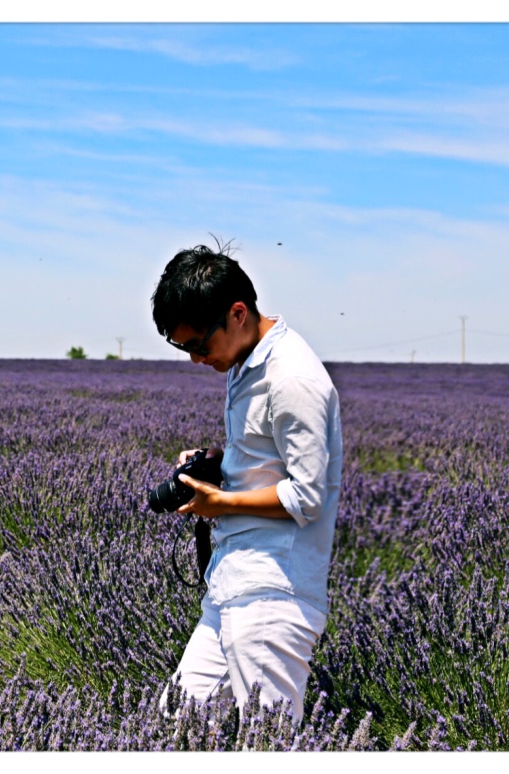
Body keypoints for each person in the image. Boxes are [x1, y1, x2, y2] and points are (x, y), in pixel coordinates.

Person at [150, 242, 342, 725]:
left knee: (269, 739)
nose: (196, 360)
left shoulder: (291, 378)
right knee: (178, 720)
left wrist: (223, 502)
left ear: (237, 313)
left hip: (273, 592)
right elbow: (268, 456)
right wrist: (218, 463)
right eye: (185, 348)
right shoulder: (244, 363)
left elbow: (308, 495)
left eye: (199, 345)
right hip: (230, 583)